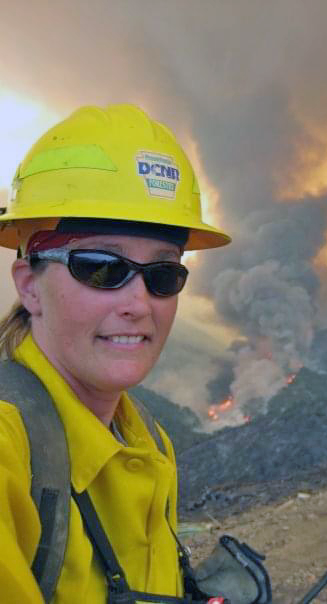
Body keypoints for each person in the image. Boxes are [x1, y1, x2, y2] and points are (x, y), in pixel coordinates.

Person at [0, 103, 240, 603]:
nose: (139, 303)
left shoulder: (148, 440)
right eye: (100, 267)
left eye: (163, 274)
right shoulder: (9, 452)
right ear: (30, 287)